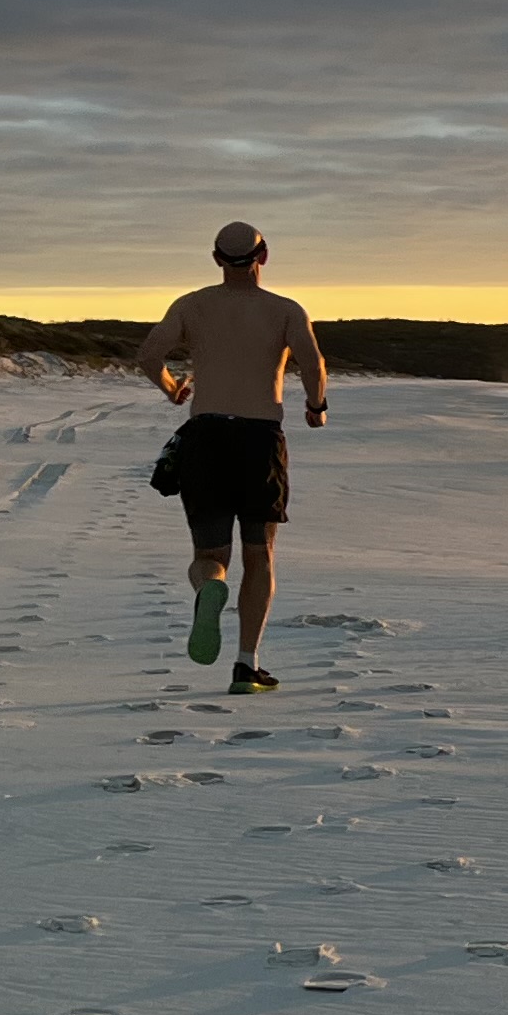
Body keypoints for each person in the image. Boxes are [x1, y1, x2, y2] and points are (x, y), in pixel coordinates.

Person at [135, 221, 329, 691]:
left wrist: (172, 389)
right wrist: (316, 406)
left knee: (209, 553)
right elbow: (313, 362)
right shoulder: (285, 310)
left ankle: (208, 589)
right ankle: (247, 665)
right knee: (260, 554)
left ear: (217, 259)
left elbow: (148, 355)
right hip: (259, 440)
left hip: (206, 438)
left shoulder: (192, 305)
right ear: (264, 258)